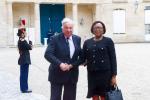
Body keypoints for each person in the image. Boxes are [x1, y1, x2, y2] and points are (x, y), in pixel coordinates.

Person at [44, 18, 82, 100]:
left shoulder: (77, 39)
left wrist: (72, 65)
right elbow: (48, 54)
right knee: (55, 97)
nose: (69, 30)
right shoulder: (54, 38)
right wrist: (60, 64)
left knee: (70, 98)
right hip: (57, 73)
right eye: (66, 27)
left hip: (72, 75)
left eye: (70, 28)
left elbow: (80, 56)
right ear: (62, 28)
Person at [82, 21, 117, 100]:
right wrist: (72, 64)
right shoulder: (87, 42)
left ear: (103, 29)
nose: (97, 29)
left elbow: (113, 59)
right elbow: (83, 58)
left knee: (105, 95)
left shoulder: (108, 41)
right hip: (92, 74)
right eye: (95, 28)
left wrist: (114, 76)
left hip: (105, 75)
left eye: (100, 27)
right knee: (94, 94)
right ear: (92, 29)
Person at [17, 28, 32, 93]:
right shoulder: (23, 41)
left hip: (23, 59)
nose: (25, 34)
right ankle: (24, 89)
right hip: (24, 60)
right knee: (24, 75)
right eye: (24, 33)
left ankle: (23, 88)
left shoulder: (21, 40)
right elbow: (30, 47)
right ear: (22, 34)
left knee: (23, 74)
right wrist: (30, 42)